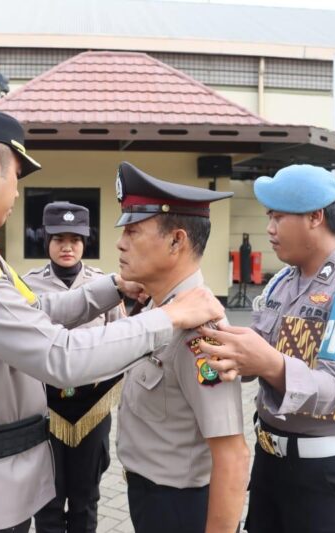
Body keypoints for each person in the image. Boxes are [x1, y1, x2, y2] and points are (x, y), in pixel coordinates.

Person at [0, 108, 225, 533]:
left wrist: (114, 288)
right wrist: (168, 317)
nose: (17, 192)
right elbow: (59, 356)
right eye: (17, 177)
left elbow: (31, 313)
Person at [197, 164, 335, 533]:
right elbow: (256, 348)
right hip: (270, 462)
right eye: (269, 217)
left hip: (324, 475)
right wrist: (218, 343)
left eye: (278, 217)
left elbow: (334, 389)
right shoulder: (283, 281)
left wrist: (268, 363)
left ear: (315, 217)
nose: (270, 229)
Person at [113, 162, 250, 533]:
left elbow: (233, 456)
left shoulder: (201, 334)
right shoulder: (159, 310)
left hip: (178, 508)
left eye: (133, 231)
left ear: (176, 241)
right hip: (150, 497)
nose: (121, 243)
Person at [24, 201, 124, 533]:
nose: (67, 247)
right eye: (59, 239)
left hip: (92, 408)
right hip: (43, 408)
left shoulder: (105, 286)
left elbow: (119, 338)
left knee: (85, 497)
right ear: (46, 240)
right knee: (47, 499)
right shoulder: (27, 287)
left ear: (85, 242)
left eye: (75, 239)